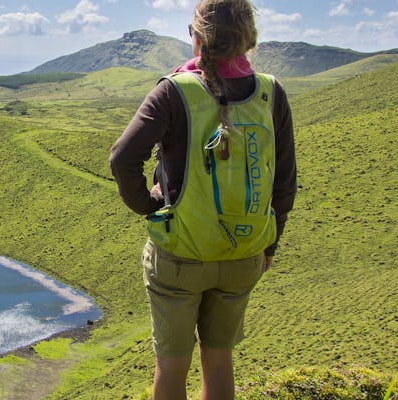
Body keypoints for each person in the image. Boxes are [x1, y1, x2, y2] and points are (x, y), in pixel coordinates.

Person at [109, 0, 297, 399]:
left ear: (196, 37)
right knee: (220, 359)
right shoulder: (271, 92)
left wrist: (150, 205)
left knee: (172, 366)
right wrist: (269, 245)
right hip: (245, 251)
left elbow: (123, 159)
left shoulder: (174, 91)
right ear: (249, 38)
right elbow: (284, 182)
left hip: (181, 252)